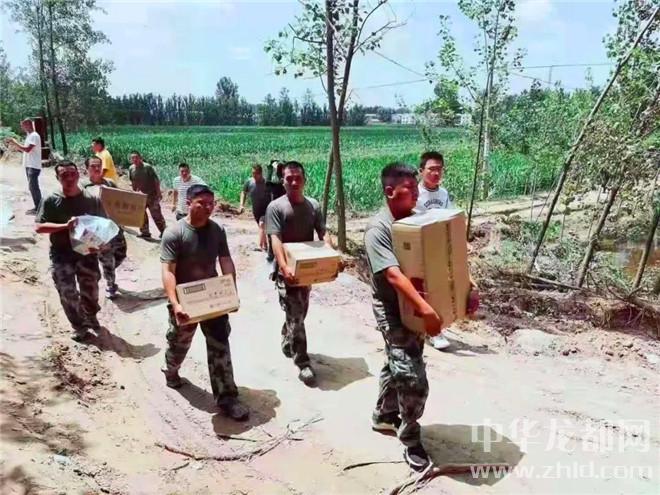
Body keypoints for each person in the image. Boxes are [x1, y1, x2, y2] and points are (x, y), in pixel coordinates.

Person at [364, 163, 479, 471]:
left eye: (417, 189)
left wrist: (469, 287)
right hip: (393, 311)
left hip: (416, 307)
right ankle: (410, 438)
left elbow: (446, 259)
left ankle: (383, 415)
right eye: (409, 190)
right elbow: (393, 275)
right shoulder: (379, 229)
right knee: (413, 379)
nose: (416, 194)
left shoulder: (418, 220)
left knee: (398, 362)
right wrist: (427, 311)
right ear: (390, 192)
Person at [160, 184, 249, 421]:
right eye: (202, 203)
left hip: (212, 298)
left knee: (220, 345)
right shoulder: (175, 233)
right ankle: (171, 369)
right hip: (185, 301)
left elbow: (225, 260)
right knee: (179, 344)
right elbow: (168, 272)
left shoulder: (217, 230)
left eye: (211, 203)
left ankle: (227, 398)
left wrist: (231, 292)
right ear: (188, 203)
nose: (209, 208)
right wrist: (176, 304)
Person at [266, 161, 336, 386]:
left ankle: (287, 334)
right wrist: (284, 266)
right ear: (283, 181)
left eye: (298, 178)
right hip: (286, 272)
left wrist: (332, 255)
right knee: (296, 314)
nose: (294, 182)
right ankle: (303, 363)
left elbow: (323, 233)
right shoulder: (276, 207)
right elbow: (275, 239)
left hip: (306, 271)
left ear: (304, 180)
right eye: (289, 178)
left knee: (300, 312)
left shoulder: (313, 205)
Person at [35, 161, 105, 342]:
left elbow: (102, 225)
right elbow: (40, 227)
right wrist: (65, 226)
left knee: (91, 290)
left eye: (72, 173)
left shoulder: (91, 199)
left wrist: (102, 243)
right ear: (57, 178)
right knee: (67, 292)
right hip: (61, 253)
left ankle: (91, 316)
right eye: (64, 175)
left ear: (78, 174)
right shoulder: (51, 200)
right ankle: (79, 326)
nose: (69, 178)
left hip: (86, 252)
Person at [414, 151, 453, 350]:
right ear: (421, 171)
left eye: (439, 169)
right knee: (419, 288)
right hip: (417, 247)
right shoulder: (414, 193)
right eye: (431, 169)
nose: (436, 173)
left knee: (436, 289)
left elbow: (450, 218)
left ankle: (434, 329)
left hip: (437, 248)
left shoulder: (444, 194)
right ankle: (428, 329)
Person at [81, 157, 128, 299]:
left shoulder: (109, 183)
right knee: (106, 258)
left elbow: (121, 200)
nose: (97, 169)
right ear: (87, 169)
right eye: (93, 166)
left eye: (99, 166)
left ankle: (107, 270)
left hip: (114, 227)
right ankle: (110, 285)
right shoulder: (83, 187)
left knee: (121, 254)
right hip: (97, 230)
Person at [5, 119, 42, 214]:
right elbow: (26, 150)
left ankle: (39, 209)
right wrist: (15, 145)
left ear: (28, 125)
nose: (22, 128)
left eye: (23, 125)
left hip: (33, 165)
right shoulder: (29, 136)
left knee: (34, 188)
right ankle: (38, 207)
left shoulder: (34, 136)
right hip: (29, 165)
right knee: (32, 187)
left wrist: (15, 142)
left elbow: (28, 149)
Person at [128, 151, 166, 238]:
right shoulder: (131, 169)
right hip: (140, 197)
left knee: (156, 215)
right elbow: (133, 181)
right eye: (132, 158)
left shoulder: (147, 167)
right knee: (141, 215)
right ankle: (145, 232)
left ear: (140, 158)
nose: (135, 159)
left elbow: (156, 180)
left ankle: (164, 232)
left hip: (152, 195)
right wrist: (134, 193)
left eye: (136, 157)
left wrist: (158, 193)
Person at [239, 164, 270, 251]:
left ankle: (260, 246)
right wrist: (241, 205)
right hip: (256, 210)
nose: (254, 175)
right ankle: (265, 245)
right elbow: (243, 192)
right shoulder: (249, 182)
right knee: (262, 227)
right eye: (253, 173)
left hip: (267, 209)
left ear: (261, 173)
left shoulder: (266, 183)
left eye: (256, 173)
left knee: (262, 224)